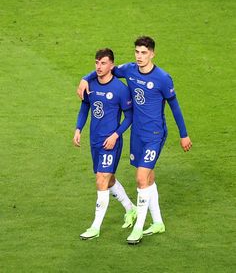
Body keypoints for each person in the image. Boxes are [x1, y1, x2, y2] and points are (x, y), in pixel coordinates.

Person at [77, 37, 192, 244]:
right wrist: (86, 78)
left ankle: (138, 227)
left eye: (144, 53)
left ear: (152, 54)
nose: (139, 57)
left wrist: (183, 134)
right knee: (148, 179)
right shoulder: (129, 70)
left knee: (140, 178)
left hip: (154, 136)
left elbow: (175, 107)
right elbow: (105, 69)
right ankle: (157, 222)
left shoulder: (163, 78)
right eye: (137, 52)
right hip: (137, 135)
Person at [73, 48, 137, 240]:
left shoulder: (120, 89)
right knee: (108, 180)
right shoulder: (90, 84)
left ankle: (95, 227)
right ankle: (130, 208)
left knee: (101, 180)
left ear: (111, 65)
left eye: (103, 63)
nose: (99, 67)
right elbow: (85, 108)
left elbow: (129, 116)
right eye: (96, 63)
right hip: (95, 141)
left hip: (111, 143)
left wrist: (116, 135)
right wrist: (78, 129)